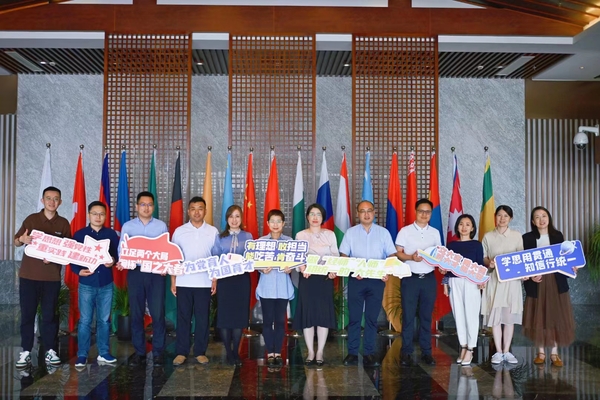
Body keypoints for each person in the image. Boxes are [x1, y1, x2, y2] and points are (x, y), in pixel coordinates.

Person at [14, 186, 71, 369]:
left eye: (55, 199)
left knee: (49, 316)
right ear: (42, 200)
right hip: (28, 277)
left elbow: (68, 251)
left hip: (51, 278)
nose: (52, 202)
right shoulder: (32, 219)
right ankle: (25, 351)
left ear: (60, 202)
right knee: (28, 315)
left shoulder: (63, 223)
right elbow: (16, 241)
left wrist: (54, 257)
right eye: (48, 198)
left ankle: (50, 350)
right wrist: (22, 240)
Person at [339, 200, 395, 368]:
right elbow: (343, 256)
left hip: (377, 281)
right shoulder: (350, 233)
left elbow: (392, 256)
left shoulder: (383, 233)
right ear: (358, 214)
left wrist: (387, 271)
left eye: (369, 210)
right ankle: (352, 352)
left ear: (374, 212)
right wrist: (352, 270)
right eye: (362, 211)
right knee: (355, 318)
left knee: (371, 319)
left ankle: (369, 353)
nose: (366, 214)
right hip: (356, 280)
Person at [117, 191, 168, 366]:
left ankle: (158, 352)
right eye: (143, 204)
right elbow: (122, 249)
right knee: (137, 313)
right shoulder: (128, 226)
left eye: (150, 204)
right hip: (136, 272)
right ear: (137, 206)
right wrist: (123, 261)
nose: (146, 208)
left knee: (158, 313)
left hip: (156, 274)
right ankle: (139, 352)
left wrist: (165, 265)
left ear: (153, 206)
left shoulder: (161, 226)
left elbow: (165, 250)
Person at [522, 206, 575, 367]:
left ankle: (554, 353)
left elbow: (565, 258)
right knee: (538, 317)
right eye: (537, 217)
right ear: (533, 221)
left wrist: (573, 266)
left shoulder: (558, 236)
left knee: (555, 316)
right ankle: (540, 352)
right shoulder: (527, 238)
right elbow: (523, 262)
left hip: (555, 282)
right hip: (537, 282)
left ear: (549, 218)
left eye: (544, 216)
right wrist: (531, 275)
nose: (541, 219)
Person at [70, 201, 120, 370]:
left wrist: (113, 261)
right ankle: (82, 354)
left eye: (102, 214)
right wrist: (78, 271)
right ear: (89, 215)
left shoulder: (111, 234)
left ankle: (103, 352)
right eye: (95, 213)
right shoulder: (80, 235)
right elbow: (72, 256)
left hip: (106, 283)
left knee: (104, 320)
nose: (98, 217)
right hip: (87, 283)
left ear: (106, 216)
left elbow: (116, 255)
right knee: (85, 320)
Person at [171, 196, 219, 366]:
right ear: (188, 211)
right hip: (183, 282)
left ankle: (200, 352)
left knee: (202, 318)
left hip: (204, 283)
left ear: (205, 211)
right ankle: (181, 352)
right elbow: (173, 258)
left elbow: (216, 258)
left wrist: (214, 279)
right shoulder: (179, 231)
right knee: (183, 317)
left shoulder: (213, 231)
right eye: (193, 209)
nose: (196, 212)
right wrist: (173, 281)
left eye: (200, 208)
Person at [396, 198, 442, 366]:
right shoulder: (405, 231)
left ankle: (426, 352)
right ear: (415, 212)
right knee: (408, 316)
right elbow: (398, 253)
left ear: (431, 214)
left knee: (426, 317)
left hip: (428, 279)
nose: (424, 214)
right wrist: (411, 257)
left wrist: (442, 265)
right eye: (421, 211)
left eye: (427, 212)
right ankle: (406, 352)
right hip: (410, 279)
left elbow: (439, 254)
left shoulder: (435, 233)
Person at [293, 203, 339, 367]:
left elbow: (335, 256)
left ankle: (319, 351)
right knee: (308, 316)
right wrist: (302, 268)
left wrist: (333, 271)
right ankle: (310, 352)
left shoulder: (330, 235)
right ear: (307, 217)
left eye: (318, 214)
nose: (315, 217)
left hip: (324, 280)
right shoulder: (300, 235)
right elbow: (297, 257)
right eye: (312, 214)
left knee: (322, 316)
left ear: (323, 217)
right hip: (308, 279)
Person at [481, 205, 524, 365]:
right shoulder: (488, 236)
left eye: (506, 216)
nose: (502, 218)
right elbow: (484, 257)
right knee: (496, 318)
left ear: (510, 218)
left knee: (509, 318)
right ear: (495, 217)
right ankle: (498, 352)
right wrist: (489, 263)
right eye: (499, 215)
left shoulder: (517, 236)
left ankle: (507, 351)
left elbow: (521, 257)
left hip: (511, 282)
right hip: (494, 281)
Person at [212, 204, 253, 366]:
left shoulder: (247, 236)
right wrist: (214, 279)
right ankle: (228, 353)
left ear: (241, 218)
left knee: (238, 317)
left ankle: (236, 350)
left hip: (241, 280)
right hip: (225, 280)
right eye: (231, 216)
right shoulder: (220, 237)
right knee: (225, 316)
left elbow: (252, 257)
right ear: (226, 219)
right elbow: (215, 258)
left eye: (237, 216)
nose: (234, 220)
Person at [443, 214, 484, 366]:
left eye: (468, 224)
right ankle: (463, 346)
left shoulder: (476, 245)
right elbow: (447, 267)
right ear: (457, 227)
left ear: (472, 228)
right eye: (461, 224)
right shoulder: (451, 245)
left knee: (471, 315)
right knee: (458, 314)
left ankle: (471, 348)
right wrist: (445, 284)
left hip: (471, 282)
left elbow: (480, 264)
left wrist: (481, 281)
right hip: (454, 282)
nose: (464, 227)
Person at [256, 209, 295, 367]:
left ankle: (277, 352)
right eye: (272, 221)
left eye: (279, 221)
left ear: (283, 223)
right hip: (267, 286)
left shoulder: (289, 242)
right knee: (267, 321)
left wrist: (290, 268)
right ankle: (269, 353)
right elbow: (255, 262)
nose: (275, 224)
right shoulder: (261, 241)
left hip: (283, 288)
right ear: (267, 223)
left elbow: (295, 261)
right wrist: (261, 269)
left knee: (280, 321)